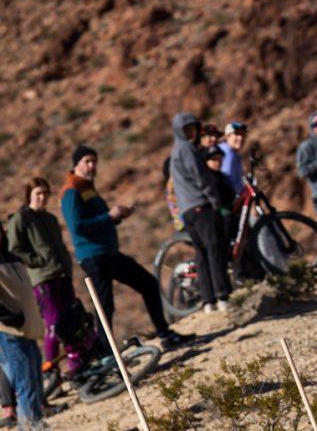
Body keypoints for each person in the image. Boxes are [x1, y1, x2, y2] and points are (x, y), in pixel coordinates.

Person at [60, 145, 192, 348]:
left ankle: (164, 333)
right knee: (105, 306)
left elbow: (96, 220)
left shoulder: (88, 187)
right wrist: (109, 216)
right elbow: (76, 226)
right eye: (87, 161)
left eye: (94, 161)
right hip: (93, 255)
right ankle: (107, 354)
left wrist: (117, 217)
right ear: (76, 164)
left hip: (108, 253)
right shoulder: (72, 190)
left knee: (147, 284)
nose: (92, 165)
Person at [6, 178, 89, 378]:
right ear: (29, 195)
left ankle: (77, 365)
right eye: (38, 193)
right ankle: (51, 374)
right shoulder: (21, 218)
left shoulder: (50, 219)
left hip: (62, 274)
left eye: (45, 193)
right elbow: (14, 249)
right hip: (42, 278)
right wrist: (36, 260)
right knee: (54, 324)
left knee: (73, 320)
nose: (42, 197)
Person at [171, 113, 231, 313]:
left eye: (193, 128)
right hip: (200, 206)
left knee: (202, 254)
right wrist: (213, 199)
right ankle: (222, 295)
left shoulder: (175, 152)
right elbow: (200, 176)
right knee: (215, 249)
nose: (191, 132)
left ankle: (208, 300)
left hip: (187, 210)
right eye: (187, 129)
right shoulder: (186, 148)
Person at [0, 221, 47, 431]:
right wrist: (8, 317)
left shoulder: (11, 257)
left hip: (27, 331)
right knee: (25, 386)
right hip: (9, 333)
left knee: (35, 384)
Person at [218, 121, 248, 194]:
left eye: (243, 134)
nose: (240, 138)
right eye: (237, 134)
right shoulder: (227, 153)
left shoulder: (233, 153)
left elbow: (240, 178)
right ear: (227, 136)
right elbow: (228, 181)